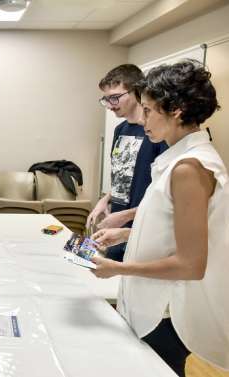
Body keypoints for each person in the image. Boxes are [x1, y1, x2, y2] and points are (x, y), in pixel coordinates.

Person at [91, 61, 229, 376]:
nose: (144, 119)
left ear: (176, 111)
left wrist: (118, 268)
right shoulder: (178, 160)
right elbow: (172, 225)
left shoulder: (189, 168)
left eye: (150, 111)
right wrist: (126, 235)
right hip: (153, 303)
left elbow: (191, 264)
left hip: (166, 312)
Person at [86, 64, 167, 261]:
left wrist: (126, 216)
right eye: (106, 99)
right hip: (117, 223)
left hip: (145, 227)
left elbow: (164, 191)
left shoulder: (157, 133)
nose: (111, 104)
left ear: (136, 92)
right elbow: (123, 174)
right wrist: (106, 199)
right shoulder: (120, 130)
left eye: (115, 97)